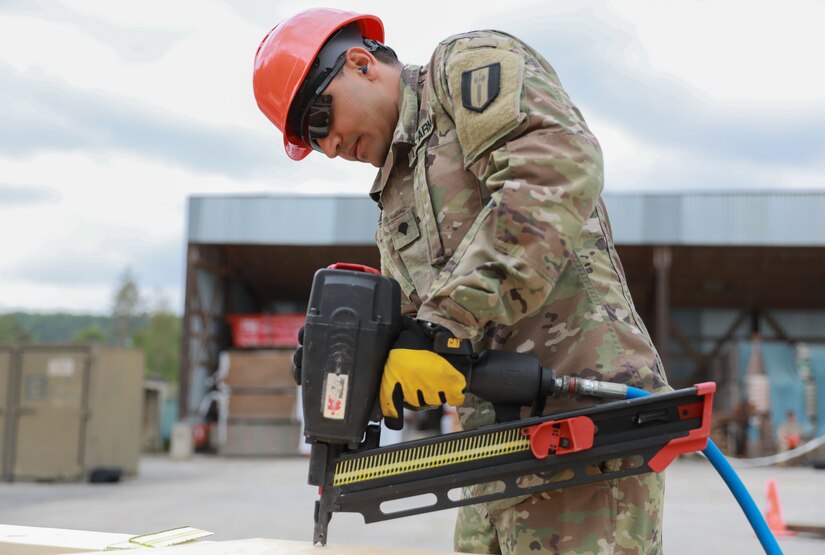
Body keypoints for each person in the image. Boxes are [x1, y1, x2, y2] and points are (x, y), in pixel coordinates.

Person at [253, 8, 671, 554]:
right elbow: (419, 332)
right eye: (313, 144)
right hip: (490, 444)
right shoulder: (396, 189)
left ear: (359, 64)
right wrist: (350, 354)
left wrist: (443, 325)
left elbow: (553, 169)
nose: (328, 146)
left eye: (317, 121)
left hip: (582, 430)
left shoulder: (465, 69)